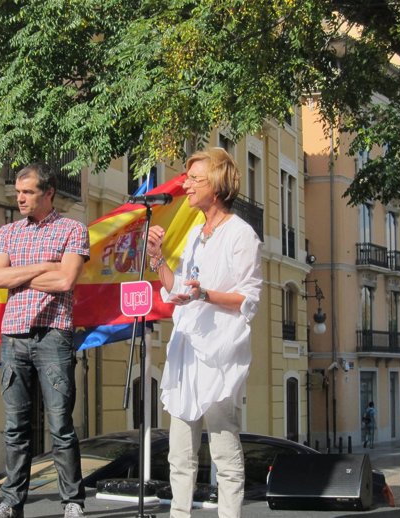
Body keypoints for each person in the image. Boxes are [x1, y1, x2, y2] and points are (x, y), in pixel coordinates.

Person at [146, 148, 262, 518]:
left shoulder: (242, 235)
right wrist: (157, 259)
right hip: (187, 349)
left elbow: (249, 297)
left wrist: (206, 294)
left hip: (219, 353)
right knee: (179, 452)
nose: (186, 184)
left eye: (194, 178)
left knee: (224, 450)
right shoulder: (195, 234)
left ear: (217, 183)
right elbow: (178, 288)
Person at [0, 163, 89, 518]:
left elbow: (66, 282)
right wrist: (45, 267)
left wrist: (19, 277)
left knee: (60, 424)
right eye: (18, 192)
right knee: (15, 426)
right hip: (15, 337)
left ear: (48, 193)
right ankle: (12, 501)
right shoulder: (7, 233)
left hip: (54, 336)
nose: (20, 198)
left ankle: (72, 500)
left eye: (28, 192)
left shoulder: (73, 230)